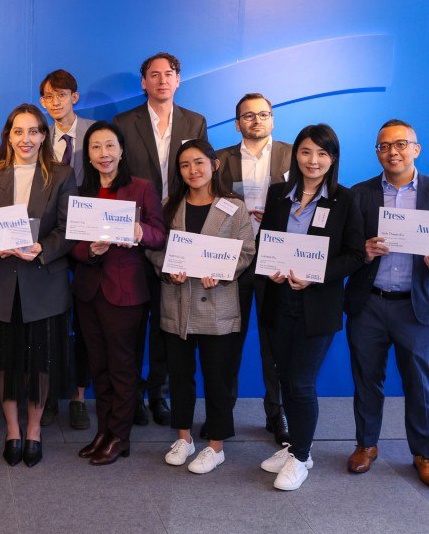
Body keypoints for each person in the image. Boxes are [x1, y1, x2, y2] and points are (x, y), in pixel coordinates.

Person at [258, 124, 364, 490]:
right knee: (285, 378)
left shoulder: (346, 200)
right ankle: (295, 447)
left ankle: (302, 456)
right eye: (306, 152)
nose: (313, 160)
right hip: (279, 301)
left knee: (301, 383)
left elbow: (354, 256)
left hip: (317, 307)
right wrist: (269, 268)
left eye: (322, 153)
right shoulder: (277, 195)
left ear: (332, 158)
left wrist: (315, 275)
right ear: (295, 155)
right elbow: (265, 245)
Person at [0, 104, 76, 468]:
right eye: (18, 131)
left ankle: (34, 429)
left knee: (39, 362)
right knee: (4, 361)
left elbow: (68, 230)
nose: (26, 139)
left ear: (44, 136)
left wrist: (42, 249)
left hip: (42, 284)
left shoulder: (61, 175)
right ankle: (12, 429)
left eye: (34, 131)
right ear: (9, 136)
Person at [149, 139, 255, 474]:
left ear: (214, 164)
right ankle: (184, 437)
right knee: (180, 376)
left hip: (217, 305)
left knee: (218, 378)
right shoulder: (170, 204)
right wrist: (169, 267)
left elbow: (246, 251)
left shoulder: (234, 206)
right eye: (184, 165)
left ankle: (216, 445)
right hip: (177, 302)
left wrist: (222, 273)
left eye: (199, 163)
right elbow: (153, 248)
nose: (192, 171)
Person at [113, 52, 208, 427]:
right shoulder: (124, 122)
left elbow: (202, 171)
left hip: (182, 231)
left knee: (170, 319)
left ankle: (160, 393)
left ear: (178, 79)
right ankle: (134, 394)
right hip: (137, 233)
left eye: (168, 74)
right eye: (154, 75)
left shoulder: (195, 121)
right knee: (135, 321)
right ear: (144, 83)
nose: (161, 80)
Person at [70, 121, 165, 465]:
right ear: (89, 155)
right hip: (88, 292)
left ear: (122, 150)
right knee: (99, 367)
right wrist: (91, 250)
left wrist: (139, 230)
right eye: (95, 148)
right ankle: (104, 431)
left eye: (109, 146)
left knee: (123, 368)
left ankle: (120, 437)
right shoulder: (82, 192)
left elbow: (160, 234)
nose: (103, 154)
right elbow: (73, 247)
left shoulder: (141, 188)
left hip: (125, 293)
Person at [344, 119, 429, 486]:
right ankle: (366, 444)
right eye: (383, 146)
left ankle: (424, 451)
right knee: (366, 379)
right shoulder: (358, 194)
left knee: (420, 383)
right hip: (369, 304)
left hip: (416, 306)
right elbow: (344, 251)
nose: (391, 152)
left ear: (416, 148)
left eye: (399, 144)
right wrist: (362, 253)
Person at [215, 93, 292, 445]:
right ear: (237, 123)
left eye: (263, 115)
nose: (256, 121)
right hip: (235, 260)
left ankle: (277, 415)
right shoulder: (220, 161)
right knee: (229, 340)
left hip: (278, 261)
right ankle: (222, 414)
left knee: (275, 345)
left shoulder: (295, 155)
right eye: (248, 116)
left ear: (272, 119)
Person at [39, 70, 95, 430]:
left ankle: (77, 396)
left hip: (91, 242)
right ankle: (48, 395)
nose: (54, 102)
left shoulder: (95, 133)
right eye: (47, 96)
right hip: (51, 242)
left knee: (86, 323)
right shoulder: (36, 137)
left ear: (75, 97)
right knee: (50, 322)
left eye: (61, 94)